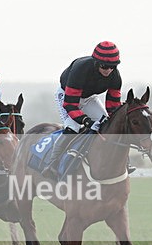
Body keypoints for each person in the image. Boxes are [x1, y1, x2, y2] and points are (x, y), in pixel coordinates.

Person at [42, 41, 123, 179]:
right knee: (72, 127)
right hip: (67, 96)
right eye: (104, 66)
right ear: (96, 63)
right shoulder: (81, 70)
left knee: (107, 124)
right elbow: (70, 104)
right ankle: (51, 164)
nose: (108, 70)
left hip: (89, 98)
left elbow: (113, 106)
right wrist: (87, 121)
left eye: (112, 67)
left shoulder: (115, 77)